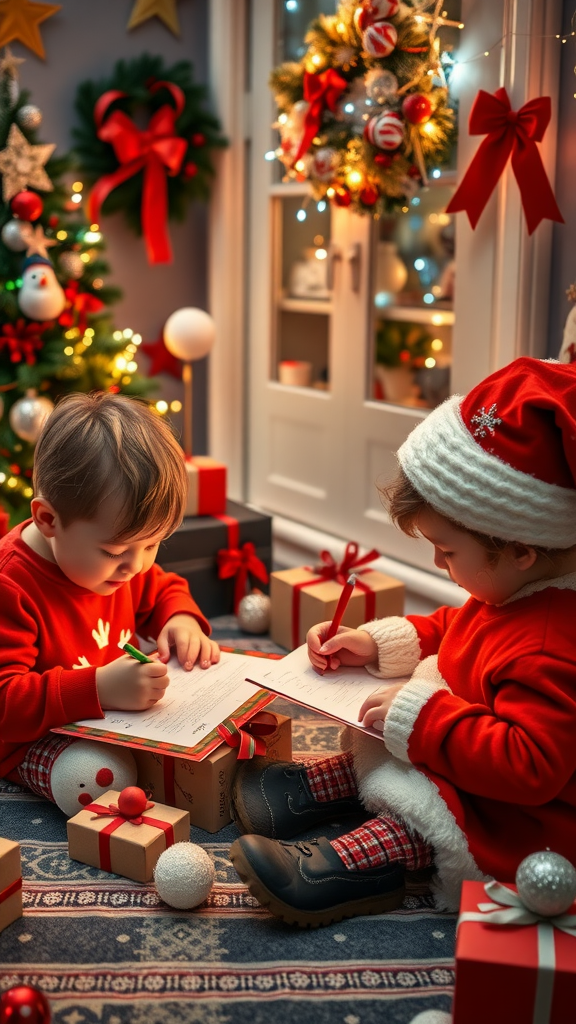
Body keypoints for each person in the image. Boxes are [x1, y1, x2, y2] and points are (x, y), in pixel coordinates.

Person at [230, 356, 576, 928]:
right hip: (463, 744)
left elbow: (530, 767)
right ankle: (314, 790)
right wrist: (376, 643)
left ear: (520, 549)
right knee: (381, 746)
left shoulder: (550, 644)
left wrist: (427, 719)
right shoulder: (515, 588)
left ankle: (340, 866)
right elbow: (458, 629)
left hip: (513, 814)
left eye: (448, 550)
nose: (438, 564)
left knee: (418, 814)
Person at [0, 391, 219, 813]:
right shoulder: (11, 584)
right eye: (114, 552)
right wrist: (98, 687)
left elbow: (163, 588)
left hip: (107, 713)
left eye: (153, 544)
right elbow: (6, 701)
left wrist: (181, 620)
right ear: (48, 520)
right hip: (29, 737)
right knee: (100, 780)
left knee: (215, 737)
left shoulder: (125, 565)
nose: (134, 567)